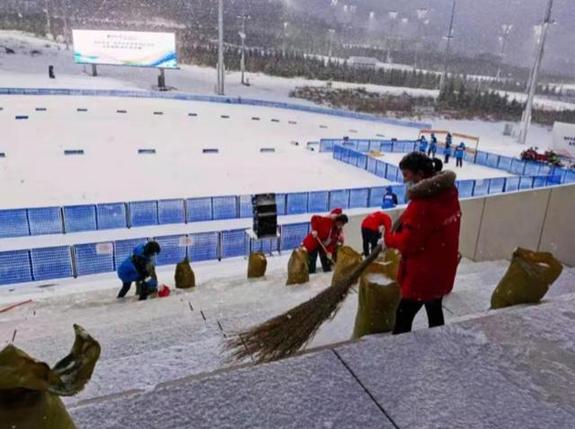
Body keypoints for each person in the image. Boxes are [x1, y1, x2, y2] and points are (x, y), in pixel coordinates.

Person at [378, 152, 461, 335]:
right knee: (434, 308)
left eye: (407, 175)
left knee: (403, 316)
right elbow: (429, 225)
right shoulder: (448, 192)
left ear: (420, 174)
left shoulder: (422, 204)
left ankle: (400, 352)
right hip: (443, 268)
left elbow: (409, 243)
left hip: (423, 274)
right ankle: (438, 342)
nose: (405, 180)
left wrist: (388, 240)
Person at [301, 209, 349, 274]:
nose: (341, 225)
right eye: (341, 223)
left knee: (326, 262)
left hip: (323, 246)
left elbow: (331, 243)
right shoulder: (326, 221)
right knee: (312, 262)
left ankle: (327, 271)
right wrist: (314, 229)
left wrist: (330, 252)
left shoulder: (337, 231)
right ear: (337, 220)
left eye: (343, 224)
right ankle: (311, 273)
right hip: (313, 242)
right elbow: (314, 218)